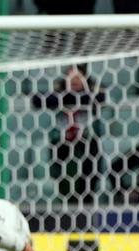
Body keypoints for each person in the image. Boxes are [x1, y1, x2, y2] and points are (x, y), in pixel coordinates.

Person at [32, 65, 105, 205]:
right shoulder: (58, 89)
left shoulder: (93, 89)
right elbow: (38, 100)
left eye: (78, 77)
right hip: (63, 138)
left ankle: (87, 199)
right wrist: (67, 96)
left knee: (93, 153)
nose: (74, 81)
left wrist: (67, 97)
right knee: (59, 159)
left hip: (85, 137)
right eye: (71, 77)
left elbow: (99, 97)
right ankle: (65, 198)